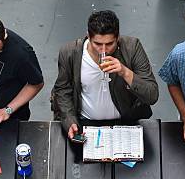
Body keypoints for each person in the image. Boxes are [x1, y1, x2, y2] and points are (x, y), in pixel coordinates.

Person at [51, 10, 159, 140]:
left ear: (118, 37)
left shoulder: (132, 48)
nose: (103, 50)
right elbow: (63, 90)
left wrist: (125, 72)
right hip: (85, 123)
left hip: (125, 123)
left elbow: (152, 95)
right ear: (88, 37)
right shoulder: (69, 53)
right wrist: (70, 121)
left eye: (109, 44)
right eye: (97, 44)